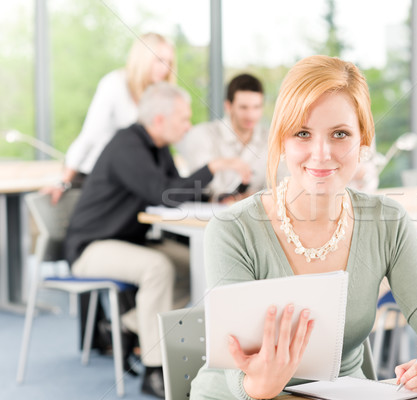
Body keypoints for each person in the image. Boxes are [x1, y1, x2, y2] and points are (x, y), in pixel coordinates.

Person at [190, 55, 417, 400]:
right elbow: (236, 376)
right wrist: (259, 384)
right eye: (302, 133)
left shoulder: (387, 222)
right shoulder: (233, 229)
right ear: (282, 141)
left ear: (363, 141)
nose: (322, 153)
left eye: (340, 134)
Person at [64, 82, 239, 398]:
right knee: (158, 267)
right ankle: (154, 369)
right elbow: (164, 194)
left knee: (196, 264)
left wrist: (221, 195)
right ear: (160, 119)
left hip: (128, 242)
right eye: (183, 119)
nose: (188, 126)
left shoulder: (158, 148)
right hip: (91, 247)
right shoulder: (126, 146)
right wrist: (211, 168)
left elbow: (179, 186)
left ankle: (128, 324)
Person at [45, 32, 176, 204]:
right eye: (159, 60)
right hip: (96, 178)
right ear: (142, 59)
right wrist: (64, 181)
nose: (165, 68)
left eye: (169, 62)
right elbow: (89, 136)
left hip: (131, 182)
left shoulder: (157, 96)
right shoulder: (114, 84)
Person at [175, 73, 269, 203]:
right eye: (243, 107)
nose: (251, 115)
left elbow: (282, 184)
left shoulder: (271, 140)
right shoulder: (202, 135)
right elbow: (198, 186)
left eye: (256, 107)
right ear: (228, 106)